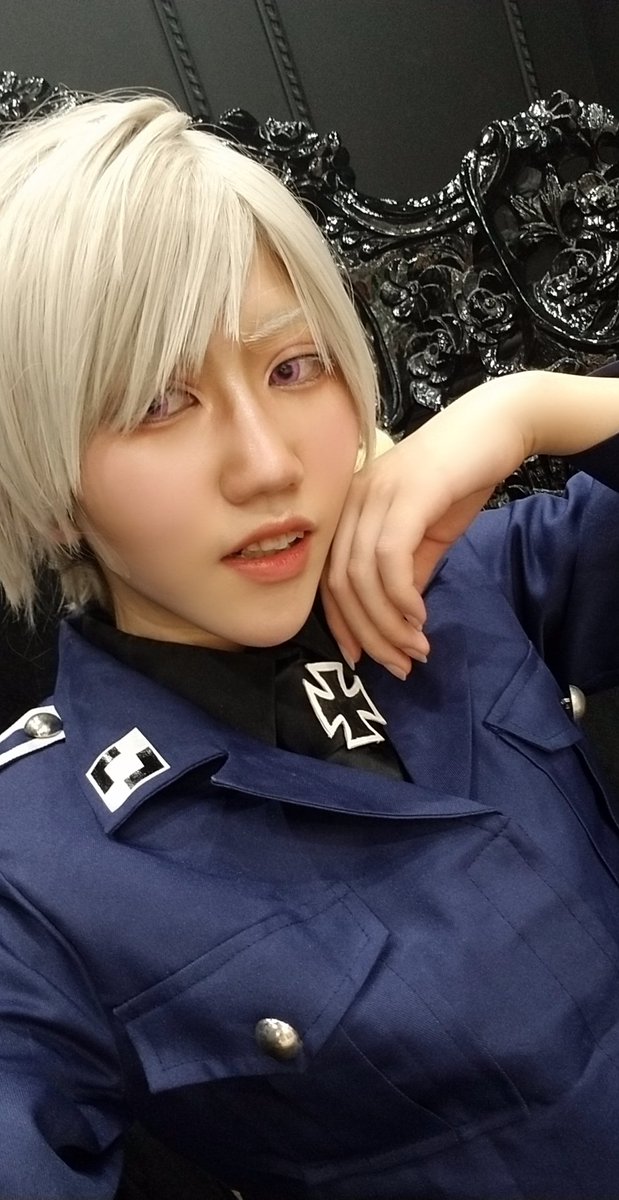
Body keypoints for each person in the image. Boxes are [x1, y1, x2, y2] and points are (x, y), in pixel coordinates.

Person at [2, 93, 619, 1200]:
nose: (267, 464)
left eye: (294, 368)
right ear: (47, 495)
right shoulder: (36, 875)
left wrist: (538, 408)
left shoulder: (470, 582)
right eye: (157, 402)